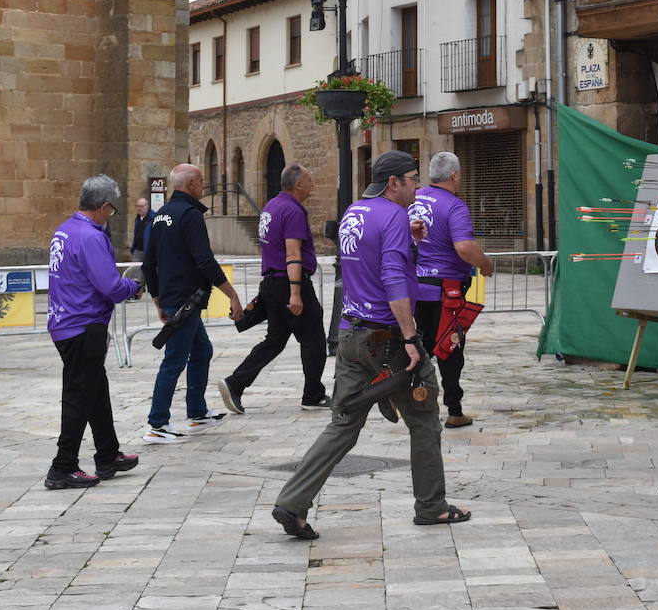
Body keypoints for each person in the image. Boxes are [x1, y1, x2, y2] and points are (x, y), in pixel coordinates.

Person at [271, 150, 471, 540]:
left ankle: (292, 502)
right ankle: (431, 506)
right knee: (425, 417)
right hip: (387, 336)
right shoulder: (394, 216)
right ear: (393, 182)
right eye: (413, 178)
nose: (418, 186)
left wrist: (407, 240)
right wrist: (412, 338)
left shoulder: (355, 211)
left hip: (351, 331)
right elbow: (394, 279)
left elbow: (367, 256)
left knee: (343, 423)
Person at [44, 174, 144, 489]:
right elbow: (110, 286)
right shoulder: (90, 236)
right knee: (78, 397)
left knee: (95, 390)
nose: (111, 215)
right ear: (102, 207)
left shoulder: (65, 230)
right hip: (83, 325)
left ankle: (108, 453)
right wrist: (134, 286)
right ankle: (63, 467)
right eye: (111, 210)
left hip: (64, 321)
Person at [141, 163, 243, 444]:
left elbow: (148, 263)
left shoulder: (159, 216)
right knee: (174, 360)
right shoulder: (190, 215)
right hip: (186, 299)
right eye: (200, 181)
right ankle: (157, 424)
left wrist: (158, 300)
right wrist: (232, 295)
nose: (204, 186)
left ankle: (197, 412)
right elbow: (204, 260)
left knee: (202, 351)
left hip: (175, 299)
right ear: (190, 185)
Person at [218, 163, 329, 414]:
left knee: (275, 340)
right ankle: (313, 394)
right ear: (298, 184)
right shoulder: (293, 211)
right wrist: (296, 292)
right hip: (288, 282)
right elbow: (292, 253)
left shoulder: (271, 206)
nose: (313, 184)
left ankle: (235, 383)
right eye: (310, 180)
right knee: (313, 337)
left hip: (271, 282)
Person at [408, 151, 493, 429]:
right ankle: (454, 410)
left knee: (421, 345)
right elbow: (464, 247)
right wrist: (486, 264)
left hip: (415, 287)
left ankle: (411, 396)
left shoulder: (414, 198)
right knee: (450, 347)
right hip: (446, 291)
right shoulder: (454, 206)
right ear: (455, 175)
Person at [129, 197, 151, 261]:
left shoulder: (152, 218)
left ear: (147, 206)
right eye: (137, 206)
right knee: (135, 269)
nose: (139, 208)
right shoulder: (137, 219)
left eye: (141, 206)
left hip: (147, 251)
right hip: (137, 250)